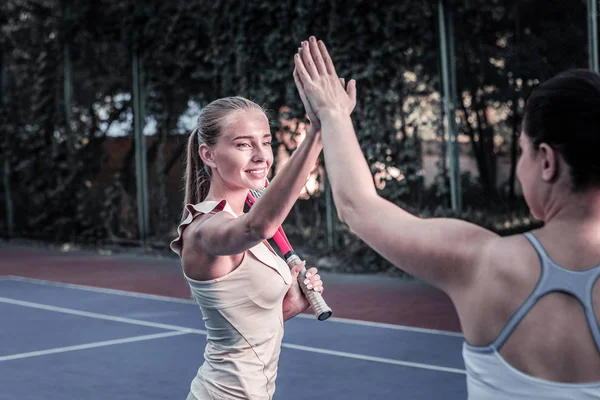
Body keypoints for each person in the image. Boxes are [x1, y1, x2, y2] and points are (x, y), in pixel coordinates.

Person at [293, 36, 600, 399]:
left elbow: (357, 206)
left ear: (547, 161)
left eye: (521, 151)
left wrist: (333, 113)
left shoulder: (481, 262)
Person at [170, 65, 356, 398]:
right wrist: (317, 131)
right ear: (208, 155)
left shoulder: (245, 228)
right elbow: (260, 224)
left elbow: (245, 334)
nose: (261, 156)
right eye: (243, 145)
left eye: (266, 143)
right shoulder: (205, 231)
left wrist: (293, 303)